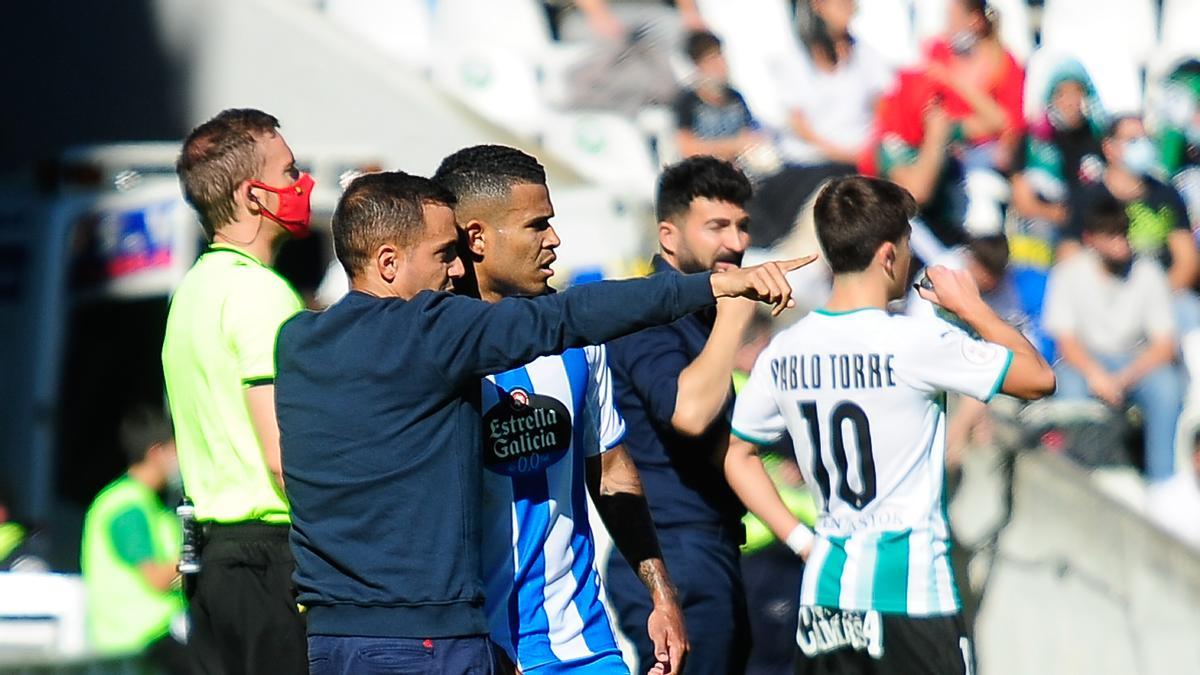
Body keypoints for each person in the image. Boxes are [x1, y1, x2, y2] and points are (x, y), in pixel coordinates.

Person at [275, 170, 810, 673]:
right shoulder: (431, 332)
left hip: (334, 638)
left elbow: (612, 466)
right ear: (388, 263)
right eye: (444, 254)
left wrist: (659, 590)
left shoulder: (297, 342)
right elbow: (567, 316)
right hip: (435, 637)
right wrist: (712, 287)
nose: (455, 268)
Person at [724, 175, 1055, 673]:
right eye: (905, 245)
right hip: (913, 592)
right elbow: (1038, 378)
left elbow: (738, 456)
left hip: (828, 592)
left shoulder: (784, 352)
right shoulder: (913, 343)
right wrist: (971, 306)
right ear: (887, 255)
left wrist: (800, 539)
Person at [431, 145, 688, 673]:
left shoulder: (576, 339)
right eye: (537, 225)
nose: (554, 240)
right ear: (477, 237)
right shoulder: (433, 348)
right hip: (474, 650)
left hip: (582, 646)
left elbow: (612, 470)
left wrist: (661, 595)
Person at [162, 108, 309, 673]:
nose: (301, 186)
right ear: (254, 194)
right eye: (290, 172)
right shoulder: (261, 294)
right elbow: (282, 456)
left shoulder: (191, 292)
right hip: (267, 557)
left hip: (211, 561)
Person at [604, 156, 761, 674]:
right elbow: (688, 412)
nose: (736, 243)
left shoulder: (697, 318)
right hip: (672, 557)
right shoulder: (648, 317)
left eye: (742, 226)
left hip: (708, 550)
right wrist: (735, 318)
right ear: (668, 235)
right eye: (717, 226)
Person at [1044, 198, 1184, 483]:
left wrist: (1124, 378)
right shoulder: (1069, 272)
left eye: (1123, 234)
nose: (1120, 244)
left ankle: (1163, 479)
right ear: (1091, 239)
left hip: (1133, 363)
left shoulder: (1148, 273)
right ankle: (1077, 471)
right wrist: (1097, 375)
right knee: (1068, 383)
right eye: (1111, 236)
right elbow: (1066, 341)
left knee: (1168, 385)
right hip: (1085, 361)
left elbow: (1164, 345)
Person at [747, 0, 890, 247]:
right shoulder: (795, 58)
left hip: (863, 161)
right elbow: (799, 125)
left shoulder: (866, 54)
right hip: (813, 166)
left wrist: (869, 150)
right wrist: (843, 153)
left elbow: (883, 107)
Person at [1062, 115, 1200, 343]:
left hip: (1164, 297)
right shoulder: (1086, 198)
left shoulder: (1166, 194)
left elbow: (1187, 260)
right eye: (1132, 140)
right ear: (1109, 148)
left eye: (1145, 139)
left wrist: (1153, 299)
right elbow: (1068, 257)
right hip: (1103, 302)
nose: (1143, 146)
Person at [81, 405, 189, 674]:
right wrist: (200, 558)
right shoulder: (127, 506)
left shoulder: (149, 505)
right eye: (176, 450)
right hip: (137, 644)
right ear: (156, 453)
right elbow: (155, 577)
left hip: (147, 640)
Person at [921, 0, 1025, 173]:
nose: (947, 25)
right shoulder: (938, 52)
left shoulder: (1004, 62)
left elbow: (1008, 123)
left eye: (953, 18)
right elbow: (928, 109)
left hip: (986, 152)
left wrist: (951, 80)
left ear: (975, 21)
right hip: (947, 145)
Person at [674, 30, 763, 162]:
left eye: (720, 56)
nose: (720, 65)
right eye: (711, 60)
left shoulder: (735, 97)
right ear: (697, 67)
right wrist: (732, 146)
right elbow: (687, 149)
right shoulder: (688, 103)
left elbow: (750, 137)